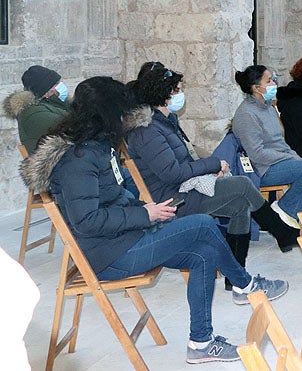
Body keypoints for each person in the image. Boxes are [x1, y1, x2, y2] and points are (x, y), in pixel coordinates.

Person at [20, 76, 287, 364]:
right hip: (111, 254)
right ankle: (244, 285)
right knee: (203, 224)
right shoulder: (79, 158)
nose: (126, 118)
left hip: (125, 237)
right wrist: (144, 214)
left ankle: (202, 342)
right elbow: (88, 221)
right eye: (121, 112)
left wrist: (145, 207)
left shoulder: (96, 145)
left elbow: (115, 194)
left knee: (204, 252)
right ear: (107, 113)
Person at [127, 65, 300, 291]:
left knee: (240, 204)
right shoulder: (147, 130)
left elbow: (186, 157)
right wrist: (212, 164)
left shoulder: (166, 122)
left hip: (186, 188)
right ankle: (279, 230)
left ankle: (237, 279)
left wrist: (208, 169)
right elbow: (171, 173)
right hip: (172, 200)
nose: (181, 94)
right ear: (164, 94)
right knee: (242, 184)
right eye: (177, 90)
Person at [231, 65, 302, 241]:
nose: (273, 83)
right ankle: (284, 209)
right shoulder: (246, 114)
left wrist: (293, 156)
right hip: (262, 169)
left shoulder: (267, 107)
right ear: (256, 88)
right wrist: (290, 157)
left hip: (281, 161)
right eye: (268, 80)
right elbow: (257, 154)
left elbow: (279, 142)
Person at [4, 64, 70, 155]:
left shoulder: (56, 104)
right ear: (45, 92)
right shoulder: (33, 113)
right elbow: (71, 126)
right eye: (56, 84)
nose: (62, 85)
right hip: (50, 166)